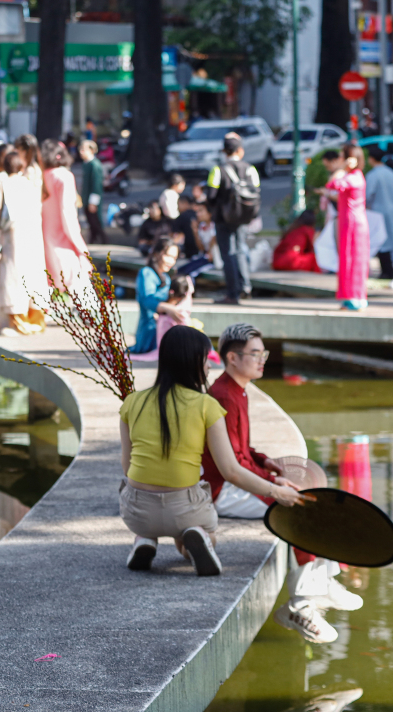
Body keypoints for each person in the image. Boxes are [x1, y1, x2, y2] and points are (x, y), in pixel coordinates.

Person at [202, 323, 361, 643]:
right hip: (223, 490)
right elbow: (232, 465)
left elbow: (243, 450)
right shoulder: (223, 395)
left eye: (264, 353)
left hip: (240, 478)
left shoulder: (236, 389)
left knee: (316, 498)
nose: (262, 360)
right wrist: (273, 481)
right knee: (298, 507)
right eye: (255, 354)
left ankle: (323, 583)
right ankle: (300, 606)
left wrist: (265, 461)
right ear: (232, 358)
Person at [118, 325, 309, 576]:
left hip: (136, 512)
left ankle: (144, 538)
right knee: (204, 533)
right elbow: (231, 471)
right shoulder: (207, 405)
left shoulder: (131, 402)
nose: (209, 367)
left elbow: (128, 466)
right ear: (193, 362)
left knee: (150, 506)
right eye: (206, 360)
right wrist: (276, 491)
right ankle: (196, 536)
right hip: (184, 509)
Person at [0, 151, 48, 336]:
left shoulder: (2, 183)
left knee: (10, 275)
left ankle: (14, 321)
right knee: (27, 275)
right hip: (29, 235)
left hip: (11, 236)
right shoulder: (29, 184)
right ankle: (30, 318)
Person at [206, 134, 260, 304]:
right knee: (241, 250)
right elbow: (256, 193)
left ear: (224, 151)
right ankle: (245, 287)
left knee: (227, 254)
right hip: (243, 218)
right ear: (240, 151)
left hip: (223, 218)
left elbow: (211, 196)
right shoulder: (251, 169)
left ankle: (232, 293)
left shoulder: (218, 170)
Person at [317, 143, 369, 311]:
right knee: (347, 259)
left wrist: (341, 168)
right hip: (349, 222)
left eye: (343, 157)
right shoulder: (353, 175)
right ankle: (350, 297)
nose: (341, 160)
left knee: (353, 260)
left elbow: (332, 185)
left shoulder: (353, 176)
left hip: (353, 224)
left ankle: (356, 297)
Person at [39, 139, 92, 294]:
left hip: (44, 237)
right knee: (77, 283)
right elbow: (67, 213)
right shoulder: (64, 176)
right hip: (63, 238)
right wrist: (79, 244)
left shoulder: (41, 176)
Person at [129, 236, 182, 355]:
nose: (171, 262)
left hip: (162, 329)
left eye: (174, 258)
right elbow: (147, 301)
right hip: (148, 331)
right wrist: (166, 307)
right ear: (157, 253)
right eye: (168, 256)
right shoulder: (146, 273)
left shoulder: (167, 279)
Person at [364, 146, 393, 278]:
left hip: (378, 213)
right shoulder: (392, 174)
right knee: (388, 242)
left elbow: (367, 196)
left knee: (382, 243)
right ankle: (391, 268)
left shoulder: (372, 175)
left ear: (371, 159)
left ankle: (387, 271)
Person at [79, 139, 106, 244]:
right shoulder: (86, 164)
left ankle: (104, 242)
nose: (81, 152)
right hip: (86, 198)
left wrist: (93, 202)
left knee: (96, 223)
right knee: (91, 223)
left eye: (83, 149)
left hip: (92, 200)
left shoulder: (95, 165)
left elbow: (97, 184)